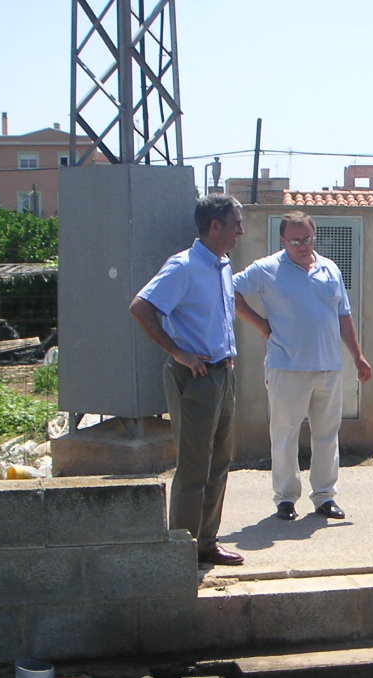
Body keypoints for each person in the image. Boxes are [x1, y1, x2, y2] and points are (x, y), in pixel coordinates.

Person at [233, 211, 372, 521]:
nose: (301, 245)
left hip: (328, 366)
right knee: (285, 434)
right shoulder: (267, 269)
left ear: (314, 237)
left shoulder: (330, 269)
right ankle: (285, 498)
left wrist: (357, 355)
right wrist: (260, 325)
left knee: (326, 433)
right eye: (294, 240)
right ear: (283, 240)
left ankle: (324, 496)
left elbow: (343, 316)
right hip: (287, 366)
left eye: (307, 239)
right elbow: (230, 290)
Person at [129, 193, 245, 566]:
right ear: (215, 226)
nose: (240, 231)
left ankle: (206, 543)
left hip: (223, 374)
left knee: (220, 462)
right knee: (195, 467)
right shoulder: (184, 266)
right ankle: (181, 549)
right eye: (236, 224)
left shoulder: (222, 265)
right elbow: (141, 308)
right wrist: (177, 352)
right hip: (194, 378)